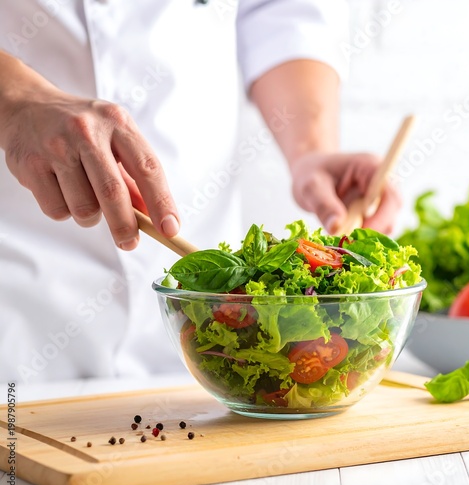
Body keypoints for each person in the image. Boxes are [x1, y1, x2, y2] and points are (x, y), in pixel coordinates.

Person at [0, 0, 400, 383]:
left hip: (197, 346)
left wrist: (311, 149)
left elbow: (280, 10)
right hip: (18, 301)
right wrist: (16, 99)